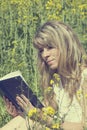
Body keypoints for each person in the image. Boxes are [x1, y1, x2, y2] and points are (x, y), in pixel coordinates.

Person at [1, 20, 87, 130]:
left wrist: (39, 117)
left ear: (66, 45)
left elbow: (84, 126)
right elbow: (46, 118)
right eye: (41, 50)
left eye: (50, 47)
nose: (45, 55)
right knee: (21, 120)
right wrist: (21, 113)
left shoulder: (84, 77)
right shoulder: (55, 80)